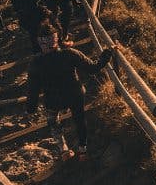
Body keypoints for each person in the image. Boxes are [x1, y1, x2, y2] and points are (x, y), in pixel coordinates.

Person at [25, 22, 114, 159]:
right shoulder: (70, 54)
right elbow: (93, 68)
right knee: (79, 119)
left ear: (39, 43)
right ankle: (82, 149)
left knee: (53, 122)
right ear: (58, 38)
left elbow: (33, 88)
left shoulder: (35, 63)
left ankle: (63, 149)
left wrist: (31, 108)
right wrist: (108, 53)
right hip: (74, 94)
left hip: (53, 99)